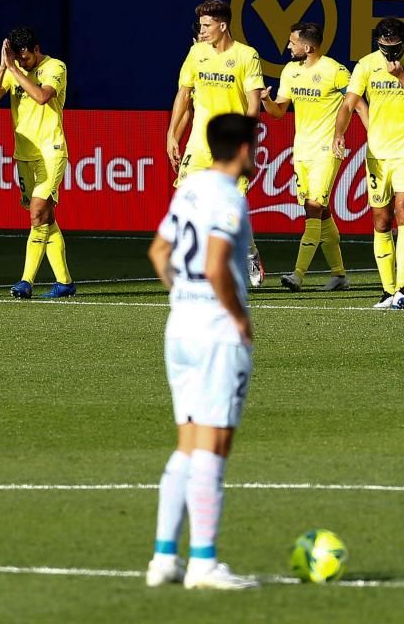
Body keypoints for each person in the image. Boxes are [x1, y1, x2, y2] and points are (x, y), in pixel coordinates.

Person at [146, 113, 260, 591]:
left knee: (189, 443)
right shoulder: (228, 197)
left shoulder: (189, 188)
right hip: (215, 334)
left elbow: (158, 252)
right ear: (243, 149)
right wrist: (235, 316)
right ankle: (204, 563)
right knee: (214, 445)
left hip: (181, 329)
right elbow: (215, 264)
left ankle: (164, 559)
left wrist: (184, 296)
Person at [333, 17, 404, 309]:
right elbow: (349, 103)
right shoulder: (366, 64)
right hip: (377, 152)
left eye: (395, 48)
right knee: (381, 220)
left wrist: (403, 77)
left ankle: (402, 287)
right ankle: (387, 289)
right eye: (384, 47)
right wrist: (338, 134)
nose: (390, 54)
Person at [167, 0, 268, 288]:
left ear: (223, 26)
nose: (203, 30)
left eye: (207, 25)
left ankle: (248, 254)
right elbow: (183, 95)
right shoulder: (196, 52)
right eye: (201, 25)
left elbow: (253, 103)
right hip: (199, 142)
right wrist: (172, 133)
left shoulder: (247, 55)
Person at [261, 22, 368, 291]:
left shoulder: (335, 71)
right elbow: (278, 112)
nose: (288, 47)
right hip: (302, 152)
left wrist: (372, 135)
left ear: (307, 47)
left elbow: (357, 104)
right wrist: (266, 100)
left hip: (327, 151)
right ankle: (340, 275)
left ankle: (297, 274)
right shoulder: (290, 72)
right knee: (321, 213)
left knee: (312, 208)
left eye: (292, 43)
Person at [0, 26, 74, 299]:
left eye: (26, 57)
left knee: (37, 213)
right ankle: (65, 283)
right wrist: (4, 67)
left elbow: (42, 96)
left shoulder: (54, 66)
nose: (23, 63)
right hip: (24, 153)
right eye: (18, 58)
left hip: (52, 149)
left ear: (37, 49)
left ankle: (26, 282)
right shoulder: (13, 70)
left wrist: (15, 71)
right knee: (45, 217)